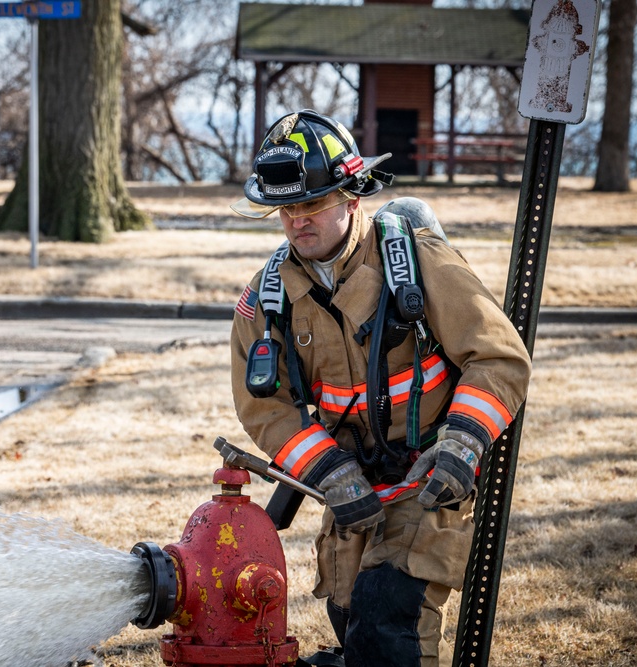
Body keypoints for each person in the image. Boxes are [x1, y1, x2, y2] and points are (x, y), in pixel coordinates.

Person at [228, 110, 532, 667]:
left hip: (429, 479)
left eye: (312, 203)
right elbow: (263, 406)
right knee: (352, 625)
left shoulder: (416, 262)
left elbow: (497, 356)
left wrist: (462, 447)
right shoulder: (266, 299)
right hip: (350, 493)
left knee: (390, 618)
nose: (298, 221)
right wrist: (333, 475)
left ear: (351, 198)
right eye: (287, 208)